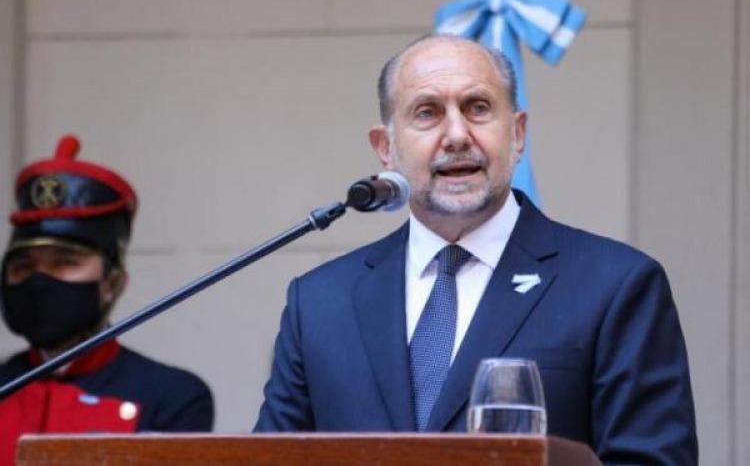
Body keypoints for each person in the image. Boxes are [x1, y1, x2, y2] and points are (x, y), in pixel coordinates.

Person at [254, 35, 698, 464]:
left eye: (478, 108)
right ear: (385, 148)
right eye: (427, 113)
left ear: (518, 134)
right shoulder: (319, 302)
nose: (457, 135)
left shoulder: (615, 285)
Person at [0, 135, 214, 464]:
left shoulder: (171, 396)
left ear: (112, 282)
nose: (39, 282)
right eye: (23, 267)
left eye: (65, 263)